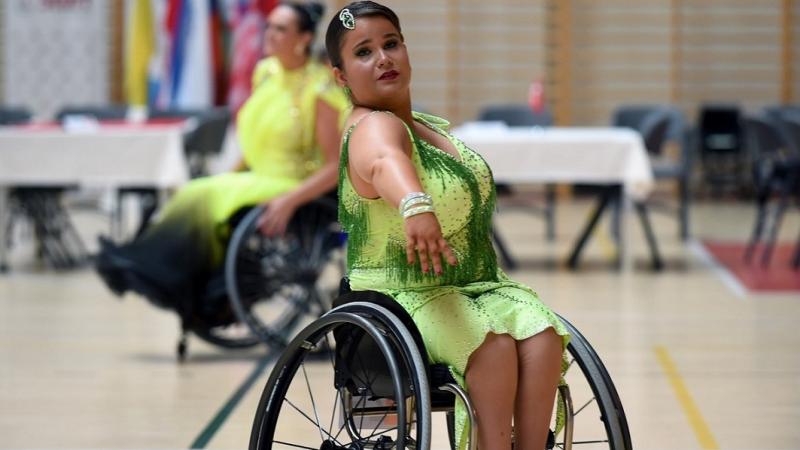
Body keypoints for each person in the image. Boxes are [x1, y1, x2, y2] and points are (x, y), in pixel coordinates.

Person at [325, 2, 570, 449]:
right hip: (399, 296)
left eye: (391, 44)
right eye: (363, 52)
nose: (383, 58)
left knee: (543, 335)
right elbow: (384, 161)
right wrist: (415, 205)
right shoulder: (369, 126)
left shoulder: (426, 128)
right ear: (340, 76)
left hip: (473, 286)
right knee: (491, 347)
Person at [96, 1, 349, 311]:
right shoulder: (267, 73)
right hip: (258, 176)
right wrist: (231, 174)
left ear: (304, 39)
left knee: (203, 195)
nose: (268, 33)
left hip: (292, 184)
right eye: (268, 26)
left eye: (280, 29)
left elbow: (334, 165)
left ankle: (165, 276)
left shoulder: (319, 89)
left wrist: (290, 200)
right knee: (196, 189)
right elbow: (256, 141)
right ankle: (151, 267)